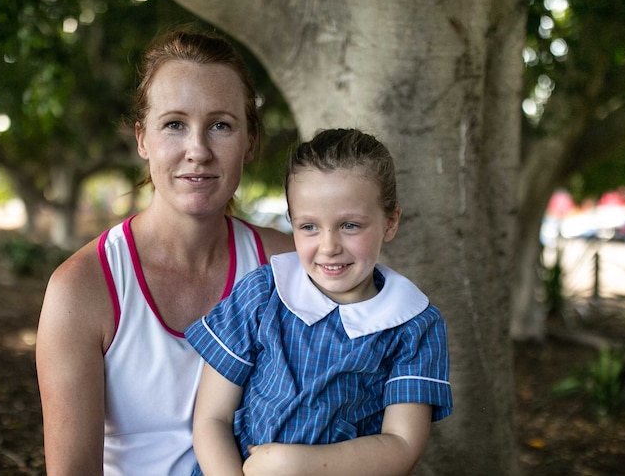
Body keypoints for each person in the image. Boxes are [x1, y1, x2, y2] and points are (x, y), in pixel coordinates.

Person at [35, 27, 294, 476]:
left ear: (250, 141)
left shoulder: (286, 268)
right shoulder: (83, 289)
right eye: (174, 124)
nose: (198, 150)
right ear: (142, 139)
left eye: (221, 125)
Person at [185, 128, 453, 476]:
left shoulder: (413, 325)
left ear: (390, 222)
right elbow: (211, 419)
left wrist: (295, 465)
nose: (329, 246)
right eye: (309, 227)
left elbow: (401, 446)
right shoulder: (263, 295)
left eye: (350, 225)